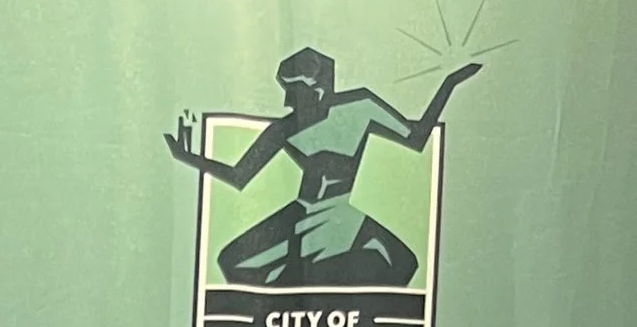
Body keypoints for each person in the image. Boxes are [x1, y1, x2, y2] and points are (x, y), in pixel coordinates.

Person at [164, 49, 479, 290]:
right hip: (301, 214)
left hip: (342, 214)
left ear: (318, 88)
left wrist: (449, 84)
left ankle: (327, 280)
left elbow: (416, 137)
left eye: (293, 89)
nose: (287, 99)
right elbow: (238, 175)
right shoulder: (285, 129)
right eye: (285, 89)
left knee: (402, 264)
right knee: (232, 261)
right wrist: (188, 156)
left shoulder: (360, 107)